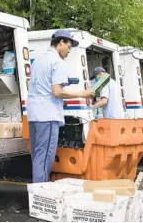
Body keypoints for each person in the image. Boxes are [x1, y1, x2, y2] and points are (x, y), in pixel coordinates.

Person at [27, 29, 93, 183]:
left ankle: (37, 193)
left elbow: (41, 86)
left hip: (34, 115)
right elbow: (57, 91)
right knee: (44, 159)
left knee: (37, 157)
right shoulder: (58, 62)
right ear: (61, 42)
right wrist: (82, 94)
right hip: (48, 116)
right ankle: (40, 195)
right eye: (69, 46)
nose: (69, 51)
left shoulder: (37, 60)